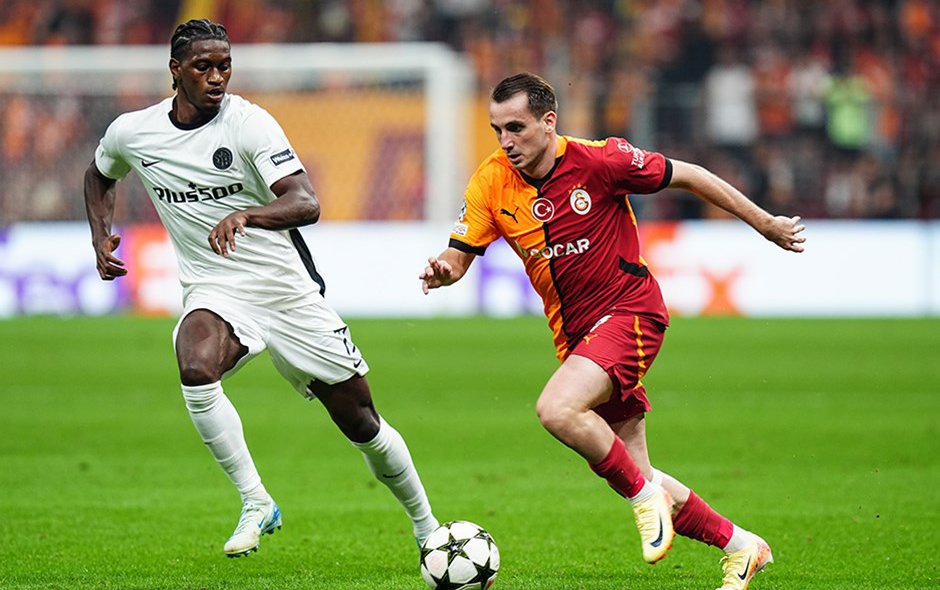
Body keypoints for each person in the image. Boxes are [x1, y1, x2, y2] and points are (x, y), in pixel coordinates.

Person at [419, 73, 805, 590]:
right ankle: (742, 546)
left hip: (631, 312)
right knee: (635, 465)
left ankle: (644, 500)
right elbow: (459, 255)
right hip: (577, 339)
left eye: (516, 127)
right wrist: (444, 271)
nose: (506, 141)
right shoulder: (490, 182)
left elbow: (690, 175)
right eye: (497, 130)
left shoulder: (601, 161)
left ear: (548, 122)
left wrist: (765, 224)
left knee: (557, 410)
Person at [83, 18, 438, 558]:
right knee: (195, 366)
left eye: (224, 66)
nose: (217, 77)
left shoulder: (249, 124)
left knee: (361, 422)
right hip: (215, 287)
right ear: (176, 70)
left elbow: (306, 202)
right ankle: (256, 500)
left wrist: (246, 215)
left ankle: (427, 528)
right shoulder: (134, 132)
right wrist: (99, 234)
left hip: (286, 292)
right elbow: (99, 173)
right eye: (203, 67)